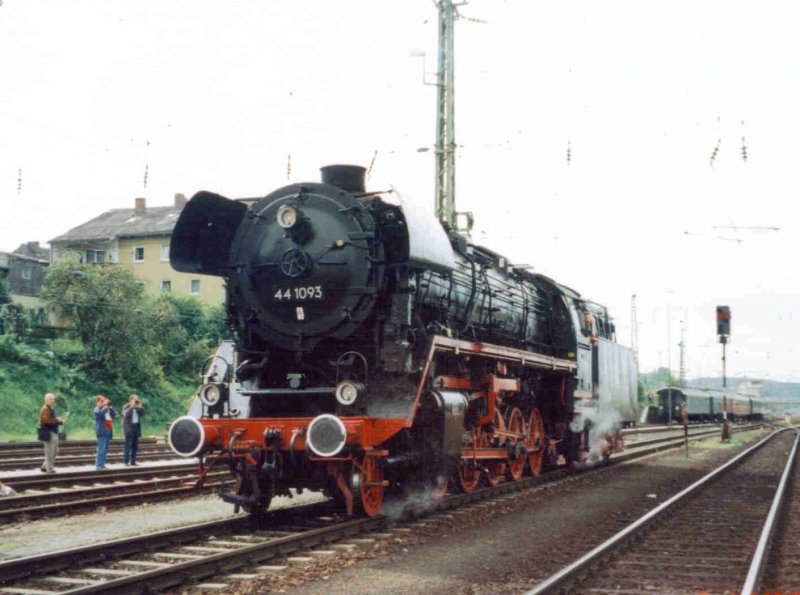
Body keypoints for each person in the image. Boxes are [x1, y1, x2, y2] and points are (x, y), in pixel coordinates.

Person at [38, 392, 63, 473]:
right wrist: (57, 420)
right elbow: (46, 421)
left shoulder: (50, 408)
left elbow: (51, 419)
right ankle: (49, 469)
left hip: (53, 432)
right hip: (48, 432)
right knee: (50, 452)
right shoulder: (45, 409)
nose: (52, 401)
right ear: (46, 400)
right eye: (50, 399)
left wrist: (59, 420)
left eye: (53, 399)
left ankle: (45, 466)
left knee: (55, 451)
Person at [94, 395, 116, 470]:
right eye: (102, 401)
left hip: (107, 431)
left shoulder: (106, 410)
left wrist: (110, 408)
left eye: (104, 401)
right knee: (101, 449)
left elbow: (113, 415)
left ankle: (102, 464)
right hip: (102, 432)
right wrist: (104, 408)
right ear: (97, 402)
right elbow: (100, 414)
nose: (103, 403)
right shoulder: (97, 409)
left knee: (105, 450)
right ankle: (99, 465)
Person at [122, 394, 145, 466]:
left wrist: (140, 407)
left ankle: (133, 461)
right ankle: (126, 462)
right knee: (128, 445)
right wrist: (131, 407)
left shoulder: (137, 407)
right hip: (129, 428)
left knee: (135, 446)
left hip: (136, 428)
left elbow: (143, 414)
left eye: (137, 399)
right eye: (135, 399)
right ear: (131, 400)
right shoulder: (126, 407)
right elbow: (126, 415)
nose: (136, 401)